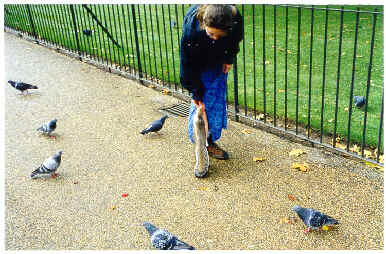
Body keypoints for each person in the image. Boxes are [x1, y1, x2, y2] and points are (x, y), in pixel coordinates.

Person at [180, 4, 243, 160]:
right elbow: (187, 65)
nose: (215, 37)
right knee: (202, 105)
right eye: (211, 33)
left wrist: (229, 58)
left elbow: (235, 37)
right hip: (198, 64)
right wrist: (196, 93)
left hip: (218, 59)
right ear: (203, 24)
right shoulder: (192, 31)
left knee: (215, 100)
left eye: (219, 35)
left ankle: (209, 140)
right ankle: (201, 144)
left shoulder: (232, 18)